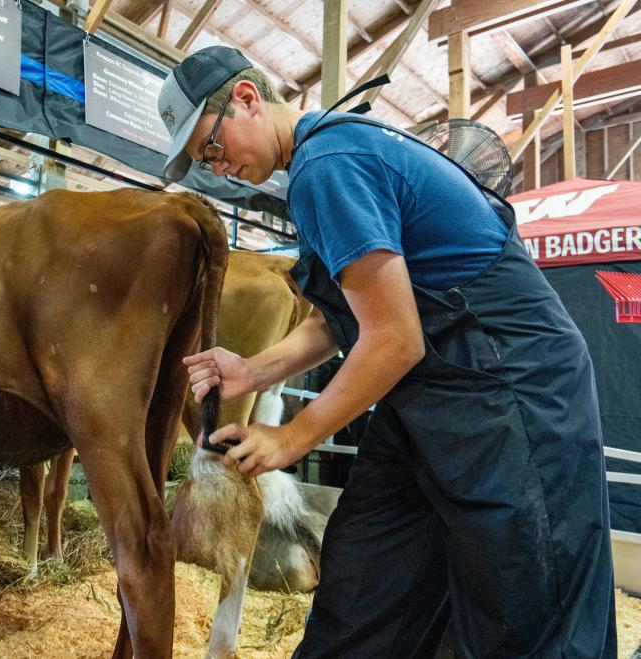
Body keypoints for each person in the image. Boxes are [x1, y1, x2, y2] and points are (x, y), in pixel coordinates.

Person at [157, 45, 616, 658]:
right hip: (437, 388)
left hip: (510, 381)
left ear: (247, 98)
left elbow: (396, 338)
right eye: (201, 163)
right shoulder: (322, 162)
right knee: (369, 573)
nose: (218, 168)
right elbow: (339, 316)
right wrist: (254, 370)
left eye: (211, 147)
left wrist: (293, 438)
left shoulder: (330, 163)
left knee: (526, 592)